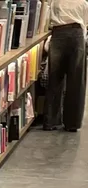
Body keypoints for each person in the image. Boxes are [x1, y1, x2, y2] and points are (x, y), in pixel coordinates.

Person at [44, 0, 88, 131]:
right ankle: (72, 123)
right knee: (76, 81)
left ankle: (51, 121)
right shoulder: (83, 3)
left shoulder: (55, 2)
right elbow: (85, 22)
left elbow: (49, 20)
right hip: (77, 34)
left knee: (55, 78)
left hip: (58, 34)